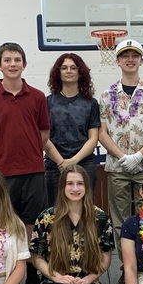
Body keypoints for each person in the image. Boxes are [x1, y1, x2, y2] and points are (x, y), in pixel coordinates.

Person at [0, 42, 50, 284]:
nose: (12, 64)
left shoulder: (38, 96)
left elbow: (44, 132)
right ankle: (7, 278)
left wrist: (28, 153)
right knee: (6, 226)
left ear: (24, 64)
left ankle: (32, 276)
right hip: (3, 174)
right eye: (7, 60)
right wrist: (0, 156)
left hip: (33, 171)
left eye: (17, 60)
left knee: (32, 227)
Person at [98, 38, 143, 284]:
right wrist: (123, 156)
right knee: (119, 220)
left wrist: (138, 156)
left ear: (141, 60)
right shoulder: (106, 95)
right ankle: (126, 268)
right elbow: (102, 133)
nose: (130, 59)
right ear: (117, 60)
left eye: (135, 55)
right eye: (125, 55)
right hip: (118, 167)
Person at [43, 53, 101, 206]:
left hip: (84, 163)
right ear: (58, 73)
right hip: (55, 165)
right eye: (64, 68)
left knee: (85, 209)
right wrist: (61, 162)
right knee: (55, 211)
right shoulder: (47, 102)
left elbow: (93, 138)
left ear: (80, 72)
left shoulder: (91, 103)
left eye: (73, 68)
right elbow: (44, 138)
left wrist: (74, 161)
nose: (68, 71)